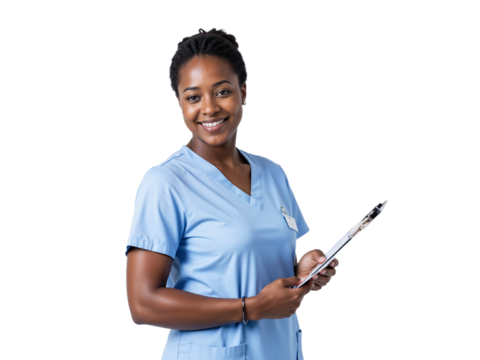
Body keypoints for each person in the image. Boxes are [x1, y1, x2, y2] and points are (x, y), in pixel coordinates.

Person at [124, 27, 339, 360]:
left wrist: (303, 269)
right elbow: (142, 304)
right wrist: (251, 307)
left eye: (222, 91)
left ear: (243, 92)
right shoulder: (165, 182)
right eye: (193, 97)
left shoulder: (273, 173)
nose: (209, 108)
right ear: (179, 103)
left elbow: (259, 264)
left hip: (280, 350)